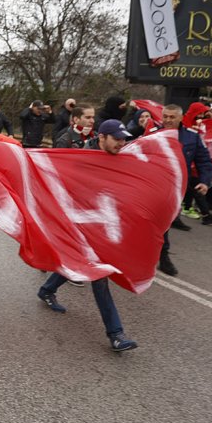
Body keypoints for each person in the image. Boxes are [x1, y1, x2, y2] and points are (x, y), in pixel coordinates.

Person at [35, 119, 139, 352]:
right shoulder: (81, 158)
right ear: (102, 137)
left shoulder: (121, 158)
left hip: (104, 224)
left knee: (82, 264)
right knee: (99, 275)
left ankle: (47, 289)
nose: (121, 143)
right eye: (117, 139)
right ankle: (116, 333)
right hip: (82, 223)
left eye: (124, 139)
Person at [161, 105, 212, 227]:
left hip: (180, 183)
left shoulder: (192, 137)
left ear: (180, 118)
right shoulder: (153, 134)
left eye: (172, 117)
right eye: (165, 116)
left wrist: (205, 181)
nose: (168, 120)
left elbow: (204, 161)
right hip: (158, 183)